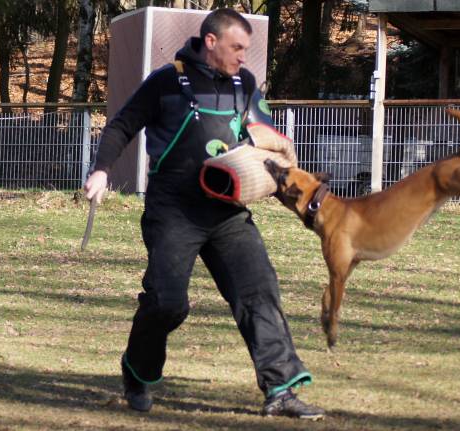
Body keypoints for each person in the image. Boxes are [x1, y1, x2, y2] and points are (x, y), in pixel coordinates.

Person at [84, 8, 324, 420]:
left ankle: (281, 389)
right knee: (167, 303)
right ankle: (137, 372)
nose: (243, 56)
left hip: (227, 210)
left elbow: (266, 137)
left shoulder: (245, 85)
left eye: (246, 49)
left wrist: (285, 178)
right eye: (237, 47)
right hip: (173, 210)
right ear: (211, 42)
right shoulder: (166, 82)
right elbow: (122, 125)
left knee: (259, 290)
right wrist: (102, 169)